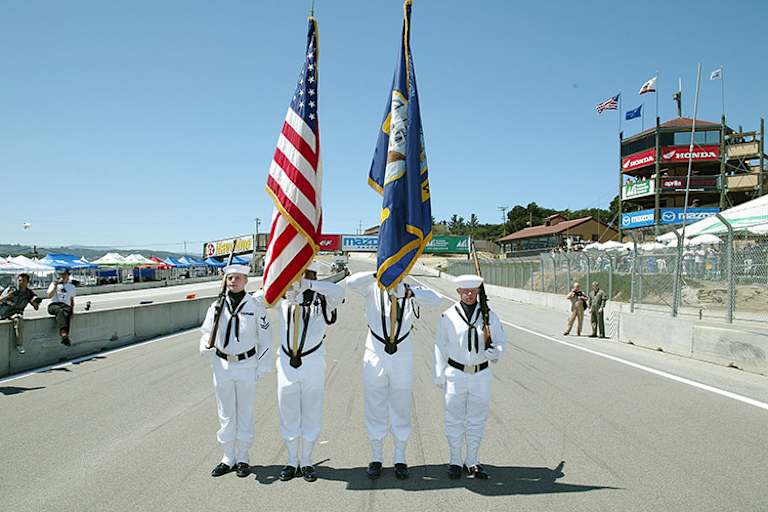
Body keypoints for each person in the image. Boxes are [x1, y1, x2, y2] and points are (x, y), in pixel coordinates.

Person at [347, 271, 441, 480]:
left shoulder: (409, 288)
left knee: (401, 404)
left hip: (402, 353)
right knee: (375, 404)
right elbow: (351, 282)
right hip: (375, 352)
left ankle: (400, 457)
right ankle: (376, 457)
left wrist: (408, 291)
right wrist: (378, 274)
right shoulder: (371, 288)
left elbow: (437, 300)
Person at [199, 264, 273, 478]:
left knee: (245, 412)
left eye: (238, 278)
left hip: (246, 364)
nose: (233, 281)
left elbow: (265, 338)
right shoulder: (216, 306)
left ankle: (243, 457)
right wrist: (205, 345)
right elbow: (206, 331)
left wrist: (263, 365)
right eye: (230, 277)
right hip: (222, 365)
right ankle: (228, 456)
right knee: (226, 412)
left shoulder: (255, 305)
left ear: (246, 281)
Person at [274, 261, 344, 482]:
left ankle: (306, 460)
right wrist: (288, 286)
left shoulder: (323, 300)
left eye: (305, 274)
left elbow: (339, 291)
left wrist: (308, 285)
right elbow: (262, 296)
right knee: (289, 412)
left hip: (313, 361)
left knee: (311, 411)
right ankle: (291, 460)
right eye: (296, 274)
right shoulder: (285, 301)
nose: (299, 278)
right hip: (287, 362)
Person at [434, 274, 506, 480]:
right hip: (456, 373)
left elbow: (500, 340)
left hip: (480, 374)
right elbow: (440, 346)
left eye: (473, 291)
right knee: (453, 419)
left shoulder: (490, 316)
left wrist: (496, 351)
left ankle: (472, 460)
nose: (469, 294)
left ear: (478, 292)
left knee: (477, 419)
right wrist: (439, 375)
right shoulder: (448, 316)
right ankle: (455, 460)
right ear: (458, 292)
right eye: (465, 291)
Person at [0, 273, 43, 354]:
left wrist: (34, 302)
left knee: (18, 319)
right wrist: (8, 296)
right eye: (19, 280)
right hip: (3, 311)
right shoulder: (11, 289)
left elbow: (36, 308)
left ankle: (19, 344)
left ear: (27, 282)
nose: (21, 283)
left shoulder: (29, 293)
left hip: (15, 313)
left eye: (23, 281)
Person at [46, 269, 76, 346]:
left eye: (65, 275)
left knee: (67, 312)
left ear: (68, 276)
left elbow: (71, 300)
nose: (63, 277)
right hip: (54, 305)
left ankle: (65, 336)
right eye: (61, 275)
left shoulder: (71, 287)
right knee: (60, 310)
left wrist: (72, 311)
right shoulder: (54, 284)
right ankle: (63, 332)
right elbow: (49, 295)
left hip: (65, 305)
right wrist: (55, 286)